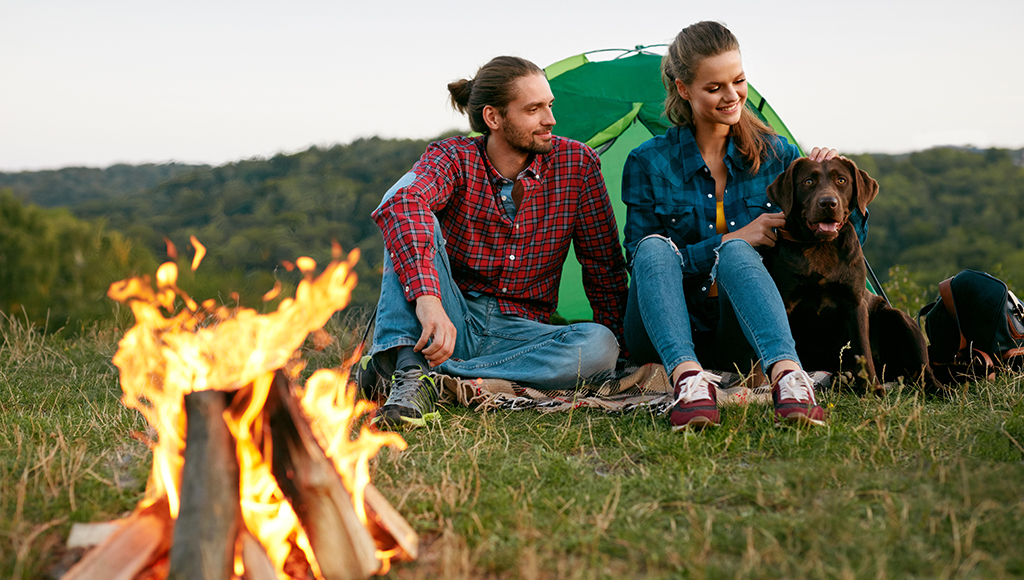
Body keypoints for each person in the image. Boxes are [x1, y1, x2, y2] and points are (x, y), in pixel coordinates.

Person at [621, 21, 867, 430]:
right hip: (661, 325)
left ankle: (790, 379)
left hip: (736, 328)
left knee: (737, 253)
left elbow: (841, 242)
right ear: (684, 89)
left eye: (738, 81)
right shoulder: (648, 162)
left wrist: (835, 186)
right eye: (714, 87)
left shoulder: (778, 155)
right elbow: (642, 264)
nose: (732, 96)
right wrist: (731, 237)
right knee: (655, 247)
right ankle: (688, 382)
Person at [364, 55, 629, 428]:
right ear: (493, 118)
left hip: (521, 333)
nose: (550, 119)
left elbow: (603, 265)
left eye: (549, 106)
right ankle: (412, 373)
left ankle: (412, 366)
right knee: (407, 209)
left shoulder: (578, 164)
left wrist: (622, 348)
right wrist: (428, 299)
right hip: (450, 315)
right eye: (534, 109)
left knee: (600, 347)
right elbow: (404, 205)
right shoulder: (452, 157)